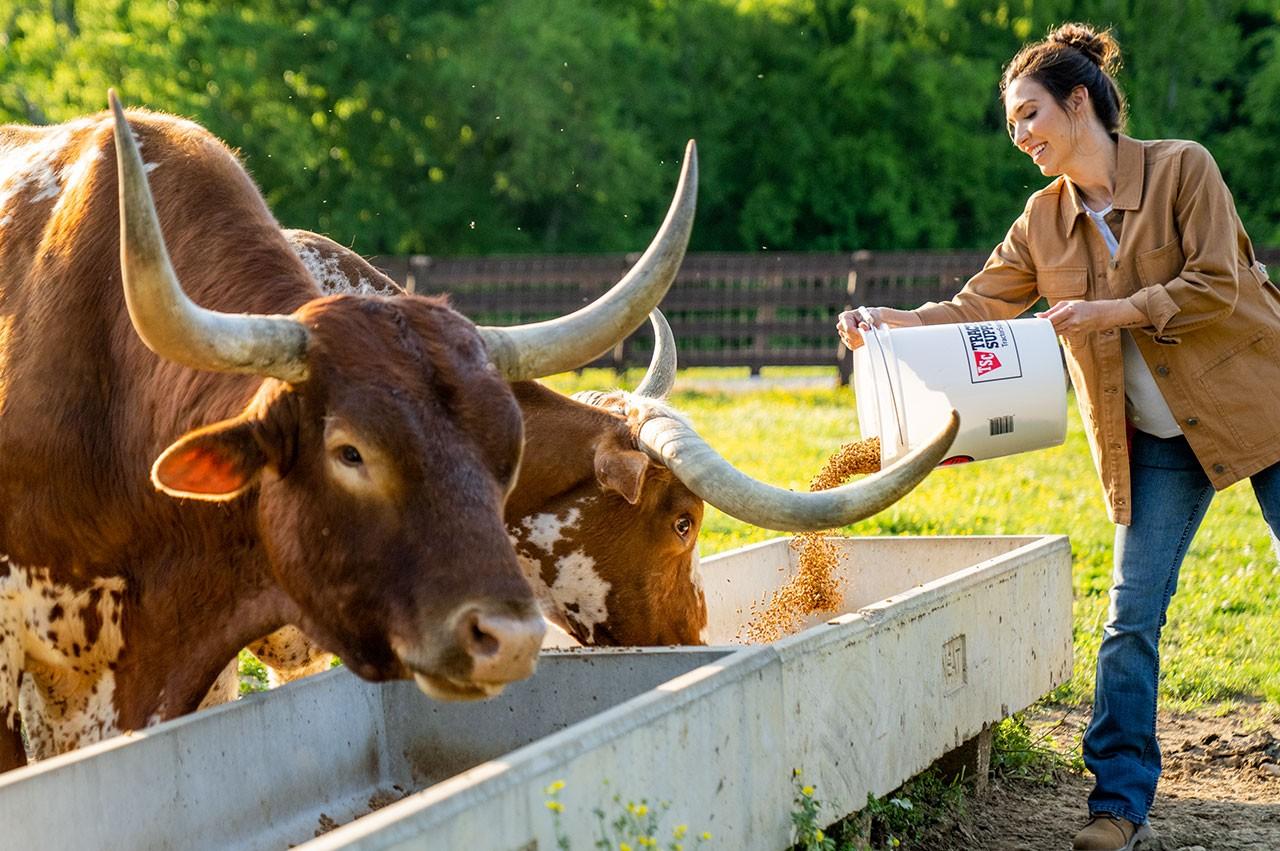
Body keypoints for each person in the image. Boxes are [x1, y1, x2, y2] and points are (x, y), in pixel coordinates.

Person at [837, 21, 1280, 851]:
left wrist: (1114, 311)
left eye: (1029, 114)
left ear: (1079, 102)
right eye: (1012, 124)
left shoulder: (1183, 168)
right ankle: (1117, 806)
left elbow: (1218, 281)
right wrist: (888, 321)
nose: (1020, 135)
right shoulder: (1042, 220)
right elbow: (976, 305)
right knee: (1130, 617)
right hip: (1154, 437)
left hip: (1264, 402)